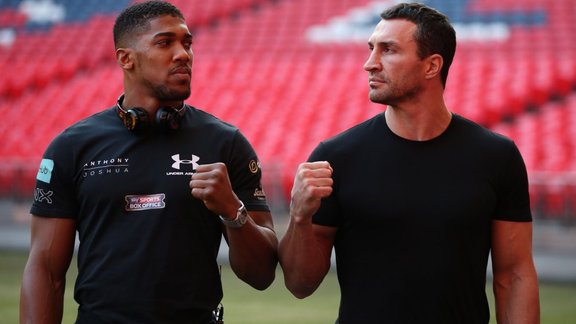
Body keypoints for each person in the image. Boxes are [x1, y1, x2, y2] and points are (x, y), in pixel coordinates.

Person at [279, 2, 540, 323]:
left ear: (432, 66)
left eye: (387, 50)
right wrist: (299, 218)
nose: (369, 64)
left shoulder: (497, 156)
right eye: (371, 48)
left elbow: (514, 275)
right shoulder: (335, 158)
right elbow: (299, 284)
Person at [20, 1, 278, 323]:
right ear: (125, 58)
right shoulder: (71, 148)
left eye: (187, 43)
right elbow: (45, 270)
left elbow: (262, 274)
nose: (183, 54)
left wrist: (232, 210)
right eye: (164, 42)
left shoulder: (226, 144)